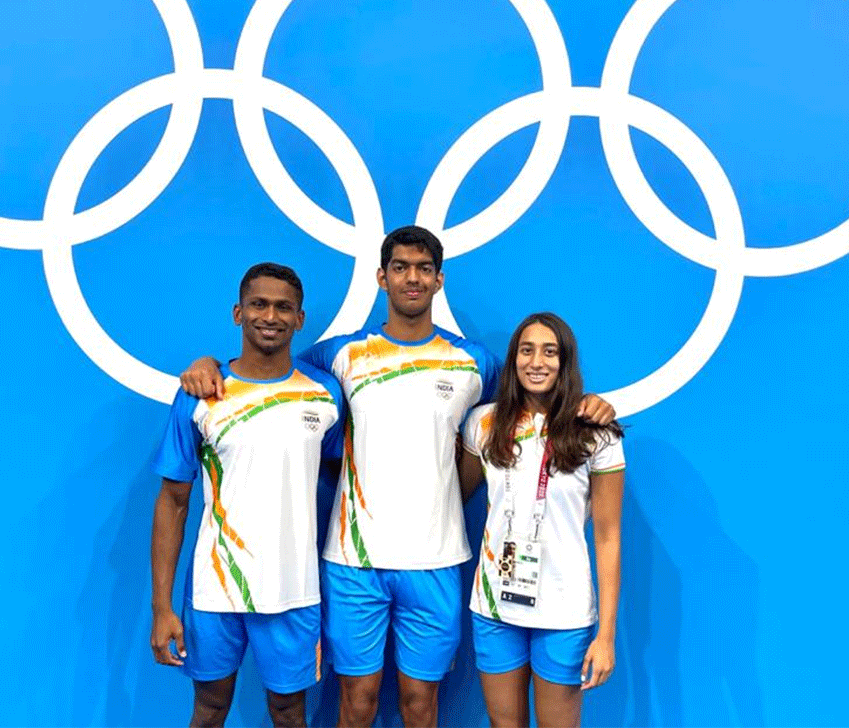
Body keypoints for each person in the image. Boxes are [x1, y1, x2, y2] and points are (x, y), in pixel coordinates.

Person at [180, 227, 615, 728]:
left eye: (424, 269)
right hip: (353, 563)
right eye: (402, 268)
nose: (413, 278)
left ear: (439, 280)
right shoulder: (339, 357)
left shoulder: (476, 362)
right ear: (381, 278)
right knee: (357, 704)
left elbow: (529, 401)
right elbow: (267, 369)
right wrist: (208, 364)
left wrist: (589, 403)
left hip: (436, 561)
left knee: (419, 706)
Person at [150, 262, 345, 728]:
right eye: (259, 304)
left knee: (288, 712)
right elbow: (173, 501)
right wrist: (161, 608)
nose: (270, 316)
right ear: (238, 313)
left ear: (300, 319)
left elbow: (344, 477)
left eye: (284, 307)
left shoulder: (325, 394)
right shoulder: (203, 394)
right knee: (210, 709)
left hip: (292, 590)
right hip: (216, 589)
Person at [458, 312, 625, 728]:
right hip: (495, 607)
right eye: (526, 350)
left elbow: (608, 537)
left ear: (565, 361)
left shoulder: (596, 433)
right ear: (513, 359)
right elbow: (453, 495)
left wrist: (606, 636)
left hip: (562, 613)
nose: (537, 362)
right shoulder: (484, 424)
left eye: (550, 352)